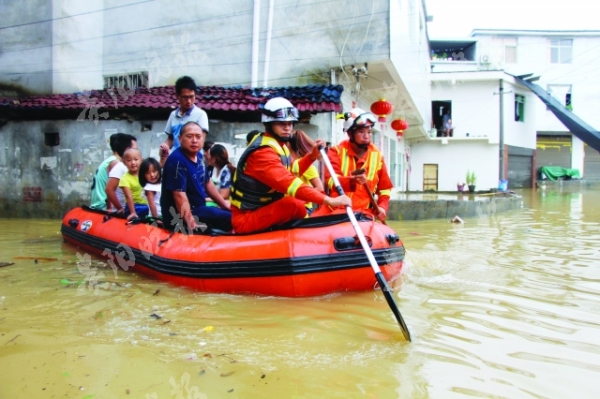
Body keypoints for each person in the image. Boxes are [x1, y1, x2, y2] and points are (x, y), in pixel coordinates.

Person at [230, 97, 351, 234]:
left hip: (261, 210)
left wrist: (312, 156)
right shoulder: (263, 153)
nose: (287, 128)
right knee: (294, 204)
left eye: (290, 123)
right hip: (247, 218)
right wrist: (329, 200)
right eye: (282, 123)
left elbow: (295, 168)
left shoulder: (279, 146)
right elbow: (290, 183)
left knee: (295, 203)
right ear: (269, 124)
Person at [312, 108, 392, 222]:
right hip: (336, 210)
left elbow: (385, 188)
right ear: (350, 133)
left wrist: (382, 207)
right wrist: (352, 181)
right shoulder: (336, 152)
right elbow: (331, 181)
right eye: (361, 132)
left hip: (363, 213)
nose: (366, 136)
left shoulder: (377, 156)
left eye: (369, 132)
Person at [160, 121, 232, 233]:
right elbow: (179, 195)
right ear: (179, 138)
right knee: (231, 219)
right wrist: (191, 224)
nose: (194, 140)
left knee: (230, 212)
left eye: (198, 137)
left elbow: (207, 182)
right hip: (180, 217)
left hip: (199, 209)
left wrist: (224, 205)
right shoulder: (177, 161)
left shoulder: (199, 156)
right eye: (189, 136)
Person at [159, 76, 209, 154]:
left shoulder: (201, 115)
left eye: (191, 96)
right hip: (176, 159)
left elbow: (201, 142)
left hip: (193, 159)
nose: (189, 101)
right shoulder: (173, 115)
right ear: (177, 96)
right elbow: (171, 139)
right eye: (185, 97)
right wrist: (165, 146)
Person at [289, 130, 324, 215]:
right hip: (289, 208)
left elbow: (320, 188)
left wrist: (299, 200)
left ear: (288, 145)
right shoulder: (287, 162)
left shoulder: (306, 165)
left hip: (303, 209)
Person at [90, 133, 127, 210]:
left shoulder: (109, 160)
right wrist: (110, 208)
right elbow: (110, 189)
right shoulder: (116, 163)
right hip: (102, 206)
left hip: (97, 203)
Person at [105, 134, 138, 213]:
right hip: (122, 213)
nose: (138, 151)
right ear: (127, 150)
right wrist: (119, 208)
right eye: (136, 149)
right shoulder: (120, 167)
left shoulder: (128, 167)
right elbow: (109, 190)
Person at [118, 148, 149, 221]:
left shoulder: (145, 174)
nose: (133, 163)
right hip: (134, 207)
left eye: (136, 159)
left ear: (141, 160)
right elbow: (128, 196)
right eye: (129, 160)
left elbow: (157, 168)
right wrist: (133, 213)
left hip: (147, 205)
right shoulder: (125, 178)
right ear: (124, 162)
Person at [139, 157, 162, 222]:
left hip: (164, 214)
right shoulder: (149, 188)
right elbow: (152, 204)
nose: (152, 175)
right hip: (156, 216)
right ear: (143, 175)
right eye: (147, 173)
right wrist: (156, 219)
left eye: (154, 171)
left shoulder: (161, 183)